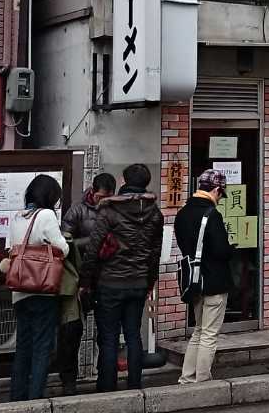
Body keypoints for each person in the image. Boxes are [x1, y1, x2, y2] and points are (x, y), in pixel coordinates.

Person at [84, 163, 164, 392]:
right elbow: (154, 253)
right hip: (138, 282)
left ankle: (107, 388)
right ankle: (135, 386)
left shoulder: (109, 211)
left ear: (123, 181)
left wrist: (85, 282)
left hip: (110, 282)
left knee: (109, 338)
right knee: (133, 335)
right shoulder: (155, 214)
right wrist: (150, 281)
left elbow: (93, 248)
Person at [8, 174, 70, 401]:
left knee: (23, 347)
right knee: (42, 346)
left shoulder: (17, 216)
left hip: (20, 291)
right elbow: (62, 249)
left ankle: (18, 397)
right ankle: (35, 399)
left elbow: (11, 248)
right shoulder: (45, 215)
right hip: (42, 290)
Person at [58, 172, 116, 394]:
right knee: (72, 333)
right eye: (101, 197)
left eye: (108, 198)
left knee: (107, 332)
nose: (104, 202)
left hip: (107, 278)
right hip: (80, 279)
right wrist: (94, 242)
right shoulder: (77, 210)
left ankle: (105, 378)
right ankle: (68, 380)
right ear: (93, 191)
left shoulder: (115, 209)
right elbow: (65, 242)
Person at [175, 169, 234, 383]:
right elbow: (220, 251)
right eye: (221, 194)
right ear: (217, 190)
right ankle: (202, 379)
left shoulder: (182, 214)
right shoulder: (212, 215)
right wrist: (232, 250)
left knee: (198, 331)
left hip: (194, 281)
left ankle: (187, 376)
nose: (220, 199)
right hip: (214, 281)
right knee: (209, 333)